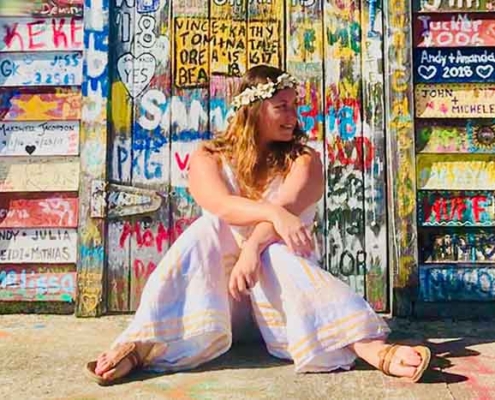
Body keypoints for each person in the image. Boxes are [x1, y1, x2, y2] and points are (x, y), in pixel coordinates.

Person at [85, 65, 431, 385]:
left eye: (295, 106)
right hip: (219, 305)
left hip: (283, 306)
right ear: (253, 110)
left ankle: (368, 346)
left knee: (274, 251)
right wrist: (274, 214)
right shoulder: (208, 156)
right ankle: (140, 343)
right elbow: (222, 204)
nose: (293, 117)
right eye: (282, 107)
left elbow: (289, 205)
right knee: (207, 229)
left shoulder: (305, 159)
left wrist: (253, 247)